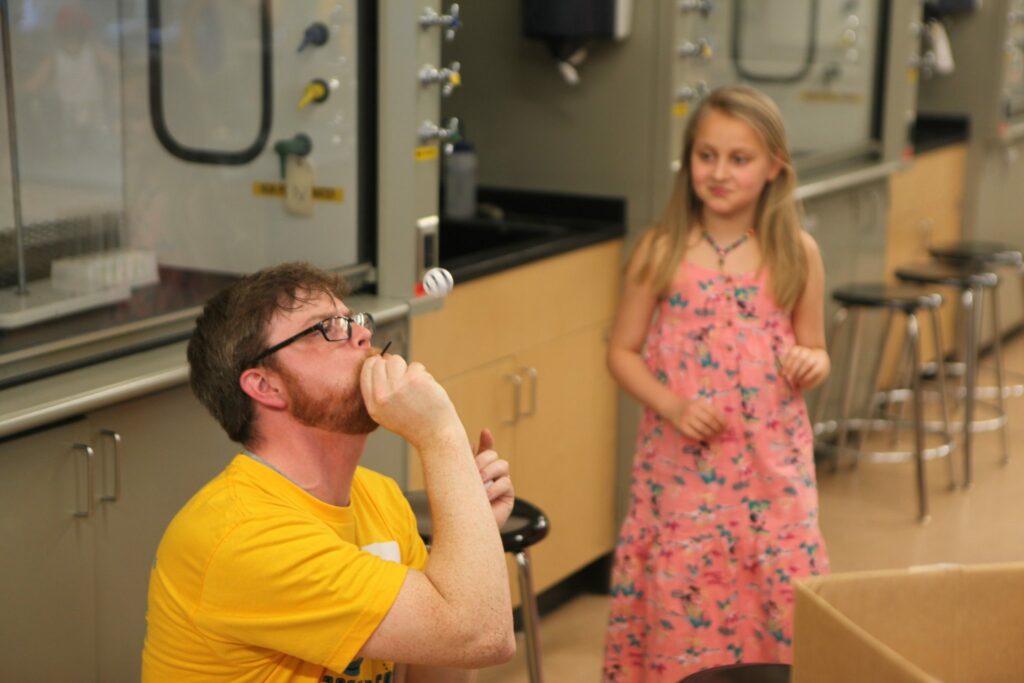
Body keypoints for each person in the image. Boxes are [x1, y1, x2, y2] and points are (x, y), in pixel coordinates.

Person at [142, 262, 516, 682]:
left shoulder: (379, 496)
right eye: (326, 328)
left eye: (353, 320)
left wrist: (472, 526)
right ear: (265, 386)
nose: (362, 334)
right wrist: (440, 434)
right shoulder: (243, 535)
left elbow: (443, 661)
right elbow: (482, 635)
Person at [602, 85, 831, 681]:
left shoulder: (796, 253)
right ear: (689, 161)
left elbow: (816, 347)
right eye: (707, 156)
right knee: (684, 600)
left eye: (739, 158)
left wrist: (811, 361)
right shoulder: (661, 251)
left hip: (770, 472)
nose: (720, 172)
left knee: (778, 600)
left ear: (774, 167)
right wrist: (672, 405)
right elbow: (622, 353)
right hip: (682, 473)